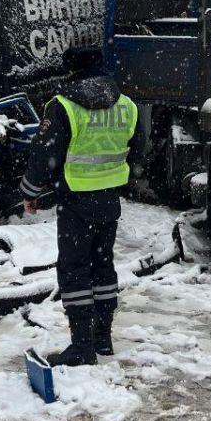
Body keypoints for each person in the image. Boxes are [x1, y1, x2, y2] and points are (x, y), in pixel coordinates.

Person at [20, 46, 139, 367]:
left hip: (75, 201)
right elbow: (136, 147)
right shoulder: (126, 105)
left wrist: (29, 191)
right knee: (103, 267)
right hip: (109, 200)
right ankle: (103, 338)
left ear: (69, 71)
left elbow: (44, 155)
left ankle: (82, 346)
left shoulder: (63, 107)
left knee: (74, 271)